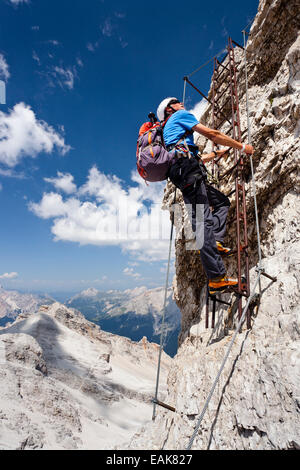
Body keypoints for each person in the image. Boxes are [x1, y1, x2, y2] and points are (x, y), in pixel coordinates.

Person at [156, 97, 254, 294]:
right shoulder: (180, 116)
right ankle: (217, 278)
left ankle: (215, 242)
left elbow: (195, 156)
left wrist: (218, 155)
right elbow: (213, 134)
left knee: (221, 203)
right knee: (202, 223)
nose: (180, 103)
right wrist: (242, 147)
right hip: (189, 172)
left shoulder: (170, 133)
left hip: (185, 173)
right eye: (176, 102)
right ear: (169, 109)